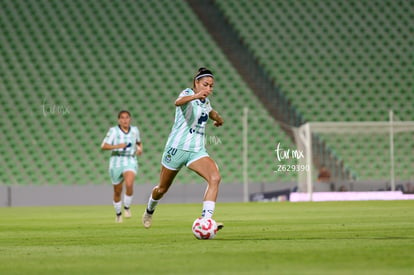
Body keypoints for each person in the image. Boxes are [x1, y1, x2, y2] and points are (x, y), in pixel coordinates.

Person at [142, 67, 224, 229]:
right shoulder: (187, 93)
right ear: (196, 83)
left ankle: (205, 221)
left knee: (215, 178)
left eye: (211, 86)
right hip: (176, 149)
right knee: (162, 188)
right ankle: (149, 210)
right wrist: (195, 95)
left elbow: (210, 111)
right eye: (205, 85)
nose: (208, 89)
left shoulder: (205, 102)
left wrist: (218, 119)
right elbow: (177, 102)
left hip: (196, 152)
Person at [101, 110, 143, 223]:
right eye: (122, 118)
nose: (125, 120)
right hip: (116, 161)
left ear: (130, 119)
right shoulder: (114, 131)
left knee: (129, 183)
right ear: (119, 120)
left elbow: (138, 143)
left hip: (130, 159)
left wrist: (140, 149)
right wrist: (117, 146)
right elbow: (104, 146)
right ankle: (118, 214)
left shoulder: (134, 130)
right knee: (117, 191)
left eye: (127, 117)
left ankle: (127, 207)